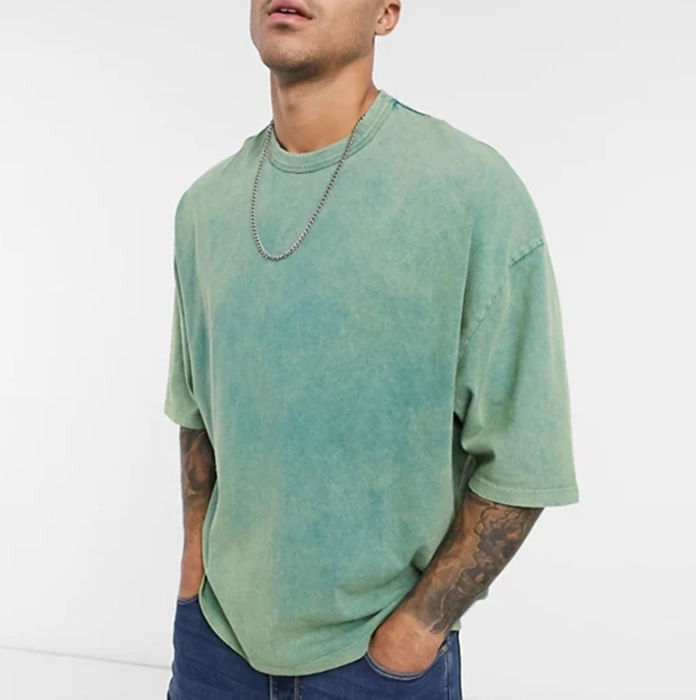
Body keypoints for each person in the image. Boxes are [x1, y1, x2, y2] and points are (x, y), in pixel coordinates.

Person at [163, 1, 580, 698]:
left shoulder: (470, 191)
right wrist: (190, 578)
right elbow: (198, 414)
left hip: (376, 666)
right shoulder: (204, 208)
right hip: (216, 648)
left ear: (386, 13)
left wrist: (416, 632)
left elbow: (524, 457)